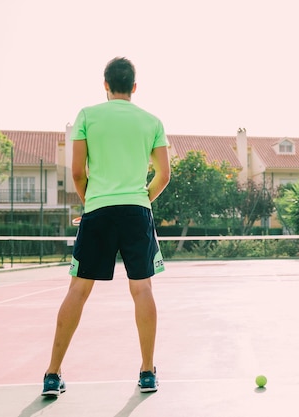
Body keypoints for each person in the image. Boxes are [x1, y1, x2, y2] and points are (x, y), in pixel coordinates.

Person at [42, 57, 171, 397]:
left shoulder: (87, 115)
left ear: (105, 85)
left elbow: (77, 173)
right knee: (142, 290)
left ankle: (52, 375)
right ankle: (147, 373)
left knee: (77, 291)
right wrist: (143, 198)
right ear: (134, 86)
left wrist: (91, 204)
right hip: (136, 212)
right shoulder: (152, 121)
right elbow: (164, 174)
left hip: (98, 211)